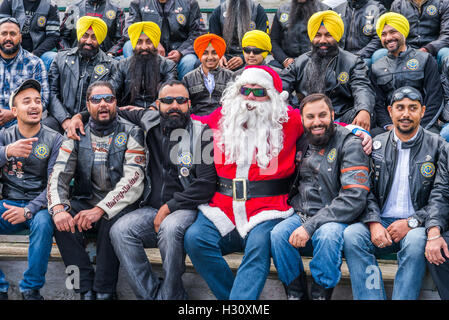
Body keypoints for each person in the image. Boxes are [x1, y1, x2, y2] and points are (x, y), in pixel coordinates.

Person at [183, 65, 373, 300]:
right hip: (222, 207)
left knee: (260, 244)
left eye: (259, 92)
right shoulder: (223, 116)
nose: (250, 97)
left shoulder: (286, 118)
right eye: (245, 90)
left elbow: (319, 123)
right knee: (195, 239)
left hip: (268, 208)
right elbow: (192, 121)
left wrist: (357, 131)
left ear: (271, 96)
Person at [344, 86, 446, 300]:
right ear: (390, 111)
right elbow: (365, 191)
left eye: (412, 108)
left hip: (417, 225)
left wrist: (411, 222)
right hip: (381, 222)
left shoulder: (438, 146)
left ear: (423, 111)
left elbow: (441, 195)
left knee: (417, 240)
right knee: (352, 235)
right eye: (400, 108)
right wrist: (373, 223)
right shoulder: (375, 145)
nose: (406, 114)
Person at [47, 81, 146, 300]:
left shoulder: (132, 131)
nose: (103, 104)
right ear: (87, 105)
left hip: (121, 205)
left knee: (114, 223)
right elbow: (58, 175)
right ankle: (83, 288)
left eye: (108, 99)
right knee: (60, 220)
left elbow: (133, 179)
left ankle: (104, 290)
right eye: (96, 100)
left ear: (116, 103)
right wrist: (59, 208)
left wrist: (101, 209)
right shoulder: (75, 133)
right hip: (86, 200)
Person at [271, 93, 370, 300]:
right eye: (310, 117)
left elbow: (354, 197)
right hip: (302, 212)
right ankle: (295, 294)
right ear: (302, 119)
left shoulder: (350, 143)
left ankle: (320, 295)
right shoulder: (302, 141)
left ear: (333, 115)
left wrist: (309, 226)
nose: (317, 122)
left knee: (327, 236)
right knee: (278, 235)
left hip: (337, 216)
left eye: (322, 115)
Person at [0, 79, 62, 300]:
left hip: (39, 206)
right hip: (8, 203)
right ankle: (1, 289)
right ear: (14, 110)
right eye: (27, 101)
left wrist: (29, 210)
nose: (34, 106)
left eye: (37, 101)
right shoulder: (4, 136)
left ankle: (30, 289)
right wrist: (7, 151)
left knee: (45, 223)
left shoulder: (55, 139)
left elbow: (56, 184)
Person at [281, 10, 375, 131]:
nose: (322, 40)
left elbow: (362, 88)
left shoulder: (353, 62)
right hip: (307, 118)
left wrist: (364, 110)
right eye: (318, 35)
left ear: (337, 36)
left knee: (364, 115)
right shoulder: (299, 63)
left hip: (340, 118)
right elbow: (281, 85)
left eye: (328, 35)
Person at [371, 12, 443, 136]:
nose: (388, 38)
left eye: (393, 32)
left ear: (403, 32)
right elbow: (377, 103)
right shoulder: (376, 67)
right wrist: (389, 126)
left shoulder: (425, 59)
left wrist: (419, 128)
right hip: (392, 127)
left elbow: (435, 98)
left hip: (423, 125)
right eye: (383, 34)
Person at [45, 16, 117, 133]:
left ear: (100, 39)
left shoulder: (112, 66)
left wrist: (80, 117)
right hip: (61, 119)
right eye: (85, 36)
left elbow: (109, 101)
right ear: (79, 36)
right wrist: (65, 119)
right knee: (46, 127)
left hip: (94, 120)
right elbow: (52, 93)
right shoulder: (61, 58)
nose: (88, 41)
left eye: (94, 37)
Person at [123, 0, 205, 80]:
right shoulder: (138, 2)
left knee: (189, 60)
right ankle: (137, 85)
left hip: (180, 53)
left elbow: (199, 33)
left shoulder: (190, 3)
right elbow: (129, 30)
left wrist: (181, 52)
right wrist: (154, 42)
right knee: (129, 45)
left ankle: (181, 90)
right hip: (149, 50)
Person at [110, 21, 177, 110]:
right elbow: (111, 90)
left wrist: (151, 108)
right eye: (139, 42)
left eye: (149, 42)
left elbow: (170, 92)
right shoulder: (122, 65)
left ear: (155, 44)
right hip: (128, 113)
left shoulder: (168, 65)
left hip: (156, 113)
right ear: (134, 45)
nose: (144, 47)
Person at [0, 17, 49, 129]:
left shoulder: (34, 63)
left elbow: (44, 100)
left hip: (22, 125)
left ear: (20, 38)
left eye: (13, 34)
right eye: (4, 34)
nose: (8, 38)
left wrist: (13, 113)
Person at [208, 0, 269, 71]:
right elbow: (213, 39)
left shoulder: (258, 10)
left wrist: (243, 58)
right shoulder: (219, 11)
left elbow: (262, 41)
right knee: (202, 63)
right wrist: (218, 55)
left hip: (250, 56)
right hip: (225, 57)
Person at [0, 0, 60, 71]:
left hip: (39, 53)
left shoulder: (50, 5)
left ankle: (42, 81)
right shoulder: (9, 2)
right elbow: (2, 31)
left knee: (52, 58)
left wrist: (34, 54)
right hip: (10, 50)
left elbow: (53, 36)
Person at [269, 0, 330, 69]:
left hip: (317, 61)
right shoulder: (282, 10)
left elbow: (333, 41)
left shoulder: (325, 11)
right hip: (288, 62)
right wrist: (284, 60)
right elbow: (273, 41)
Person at [182, 33, 233, 115]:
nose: (210, 57)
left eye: (214, 53)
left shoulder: (230, 76)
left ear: (220, 55)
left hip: (222, 120)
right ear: (199, 55)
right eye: (205, 53)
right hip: (197, 121)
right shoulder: (188, 78)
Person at [390, 0, 449, 66]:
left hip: (435, 51)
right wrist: (405, 51)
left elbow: (447, 34)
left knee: (447, 53)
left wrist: (427, 49)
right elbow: (393, 33)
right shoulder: (398, 4)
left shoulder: (443, 2)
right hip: (405, 51)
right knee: (381, 54)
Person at [59, 0, 126, 58]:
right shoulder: (74, 8)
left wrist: (111, 53)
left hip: (106, 58)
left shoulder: (116, 9)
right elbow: (62, 36)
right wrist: (68, 53)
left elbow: (122, 38)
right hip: (76, 57)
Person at [340, 0, 386, 67]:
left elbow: (378, 37)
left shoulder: (377, 8)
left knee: (379, 55)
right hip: (343, 55)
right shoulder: (340, 9)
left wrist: (358, 55)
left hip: (366, 56)